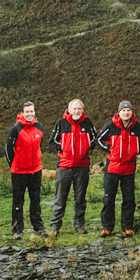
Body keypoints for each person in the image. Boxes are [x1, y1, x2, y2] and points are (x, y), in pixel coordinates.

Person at [95, 101, 140, 237]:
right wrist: (110, 149)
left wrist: (137, 151)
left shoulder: (137, 127)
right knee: (108, 199)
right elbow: (99, 140)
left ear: (132, 112)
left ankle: (127, 227)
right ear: (119, 112)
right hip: (112, 168)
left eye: (128, 110)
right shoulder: (110, 125)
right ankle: (107, 227)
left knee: (129, 199)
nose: (126, 113)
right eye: (123, 110)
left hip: (129, 169)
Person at [48, 99, 96, 236]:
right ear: (69, 109)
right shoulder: (61, 123)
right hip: (64, 167)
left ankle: (79, 225)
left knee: (80, 198)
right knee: (60, 198)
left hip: (82, 167)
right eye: (74, 109)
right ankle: (55, 226)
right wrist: (64, 149)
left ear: (83, 110)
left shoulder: (87, 123)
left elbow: (94, 139)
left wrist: (86, 150)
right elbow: (52, 141)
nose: (77, 111)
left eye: (79, 109)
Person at [5, 102, 45, 240]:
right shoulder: (15, 128)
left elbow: (41, 144)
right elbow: (8, 148)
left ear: (34, 112)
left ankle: (38, 227)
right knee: (18, 201)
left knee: (36, 200)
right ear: (22, 113)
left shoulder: (39, 126)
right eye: (27, 112)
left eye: (32, 111)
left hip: (36, 170)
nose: (29, 114)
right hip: (19, 172)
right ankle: (17, 230)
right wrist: (14, 164)